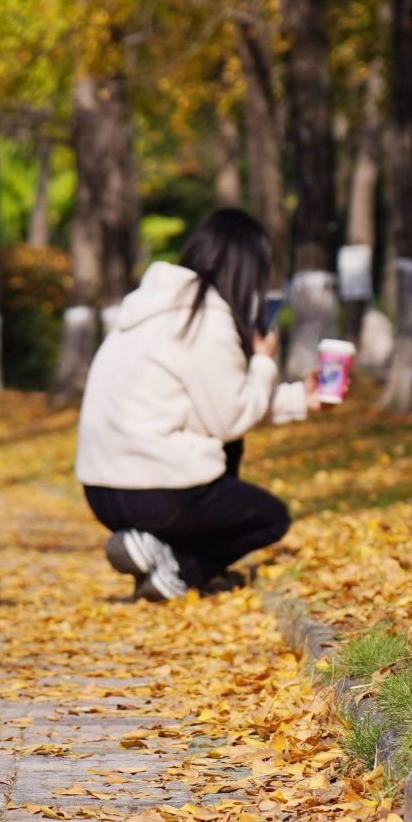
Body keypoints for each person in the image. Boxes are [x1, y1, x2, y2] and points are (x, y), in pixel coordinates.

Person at [75, 209, 333, 601]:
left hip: (101, 490)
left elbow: (214, 406)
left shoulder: (150, 307)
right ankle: (179, 570)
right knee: (269, 518)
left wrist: (302, 398)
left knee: (225, 451)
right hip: (152, 492)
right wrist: (263, 360)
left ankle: (151, 548)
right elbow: (230, 420)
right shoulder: (207, 319)